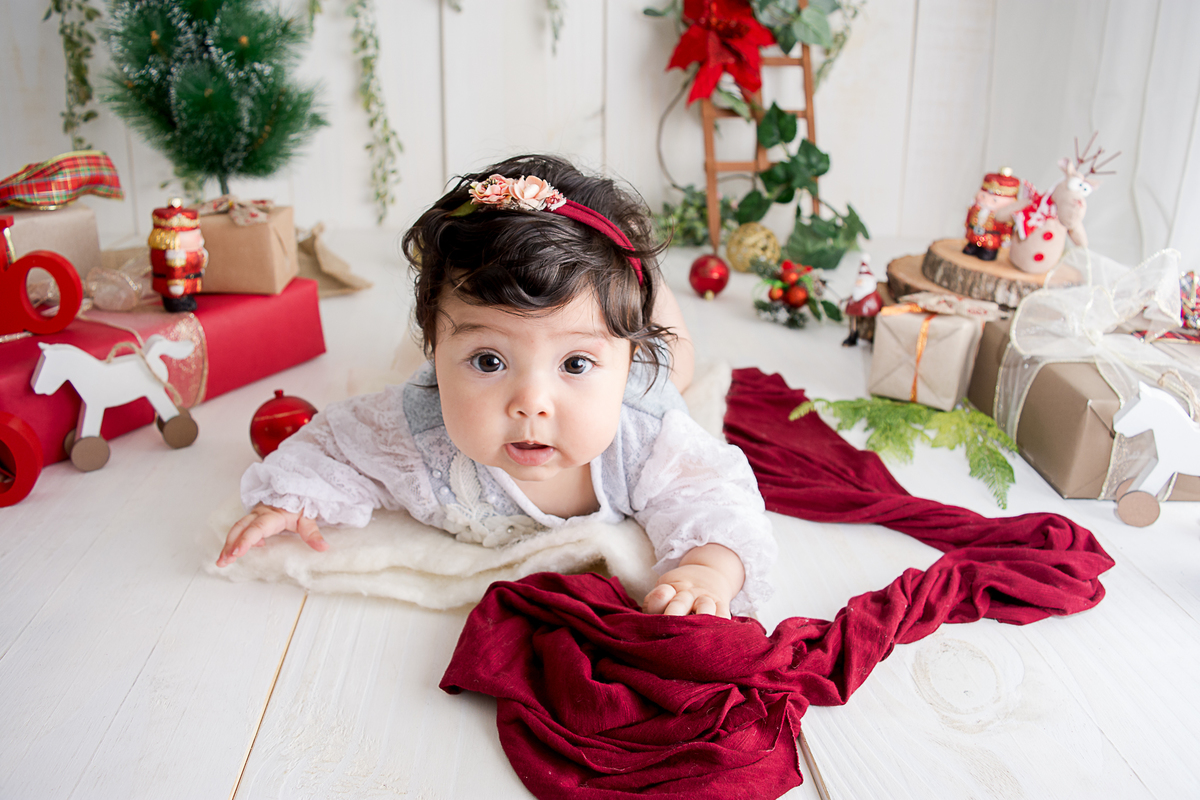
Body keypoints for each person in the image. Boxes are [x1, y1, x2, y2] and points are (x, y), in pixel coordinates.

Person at [217, 154, 776, 618]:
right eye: (488, 361)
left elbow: (717, 499)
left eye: (575, 365)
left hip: (648, 372)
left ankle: (645, 296)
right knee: (520, 328)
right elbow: (338, 443)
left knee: (674, 360)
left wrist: (707, 568)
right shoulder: (416, 428)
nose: (531, 403)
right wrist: (291, 499)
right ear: (436, 355)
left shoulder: (646, 440)